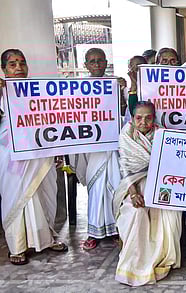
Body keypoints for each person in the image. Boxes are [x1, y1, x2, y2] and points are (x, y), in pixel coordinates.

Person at [0, 49, 67, 265]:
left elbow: (52, 122)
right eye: (12, 64)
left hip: (41, 155)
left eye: (22, 62)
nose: (18, 67)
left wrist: (57, 150)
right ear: (4, 69)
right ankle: (17, 246)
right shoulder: (1, 93)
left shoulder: (38, 91)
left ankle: (47, 238)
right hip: (12, 159)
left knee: (44, 194)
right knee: (16, 198)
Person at [113, 101, 181, 286]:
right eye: (139, 118)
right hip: (133, 186)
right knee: (136, 213)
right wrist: (134, 194)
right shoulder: (125, 136)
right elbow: (125, 169)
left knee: (169, 211)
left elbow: (170, 164)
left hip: (159, 183)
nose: (143, 122)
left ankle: (161, 257)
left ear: (154, 118)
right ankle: (134, 263)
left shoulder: (162, 134)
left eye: (148, 118)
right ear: (133, 118)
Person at [71, 48, 122, 250]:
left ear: (106, 62)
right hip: (92, 147)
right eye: (92, 61)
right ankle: (94, 232)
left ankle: (117, 229)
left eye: (100, 61)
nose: (97, 65)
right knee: (95, 188)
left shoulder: (115, 84)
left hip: (113, 145)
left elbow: (125, 112)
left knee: (115, 186)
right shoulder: (78, 88)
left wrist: (125, 89)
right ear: (86, 65)